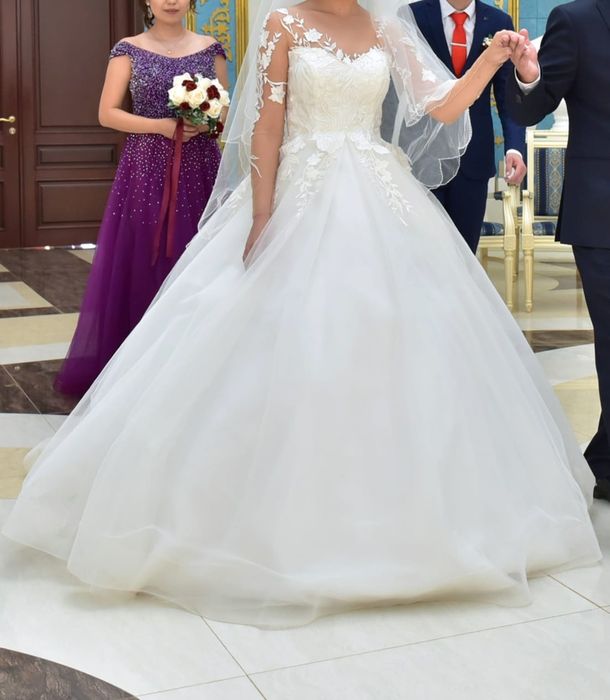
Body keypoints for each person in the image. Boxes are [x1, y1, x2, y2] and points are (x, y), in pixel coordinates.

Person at [2, 0, 600, 630]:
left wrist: (491, 59)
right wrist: (263, 214)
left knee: (397, 339)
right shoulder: (284, 23)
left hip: (379, 188)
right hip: (301, 190)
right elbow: (266, 127)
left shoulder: (387, 26)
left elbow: (444, 106)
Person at [54, 0, 228, 396]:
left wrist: (206, 123)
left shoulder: (211, 49)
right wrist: (161, 127)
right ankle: (138, 368)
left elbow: (222, 110)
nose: (171, 1)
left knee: (197, 256)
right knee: (145, 256)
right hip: (146, 168)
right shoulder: (128, 49)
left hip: (201, 166)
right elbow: (107, 113)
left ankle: (194, 364)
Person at [506, 0, 610, 503]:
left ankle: (605, 458)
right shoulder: (576, 19)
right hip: (603, 211)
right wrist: (529, 75)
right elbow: (531, 108)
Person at [383, 0, 527, 252]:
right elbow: (392, 92)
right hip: (423, 158)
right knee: (421, 251)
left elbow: (508, 97)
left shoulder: (498, 21)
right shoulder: (412, 15)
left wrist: (514, 148)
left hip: (473, 157)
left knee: (465, 251)